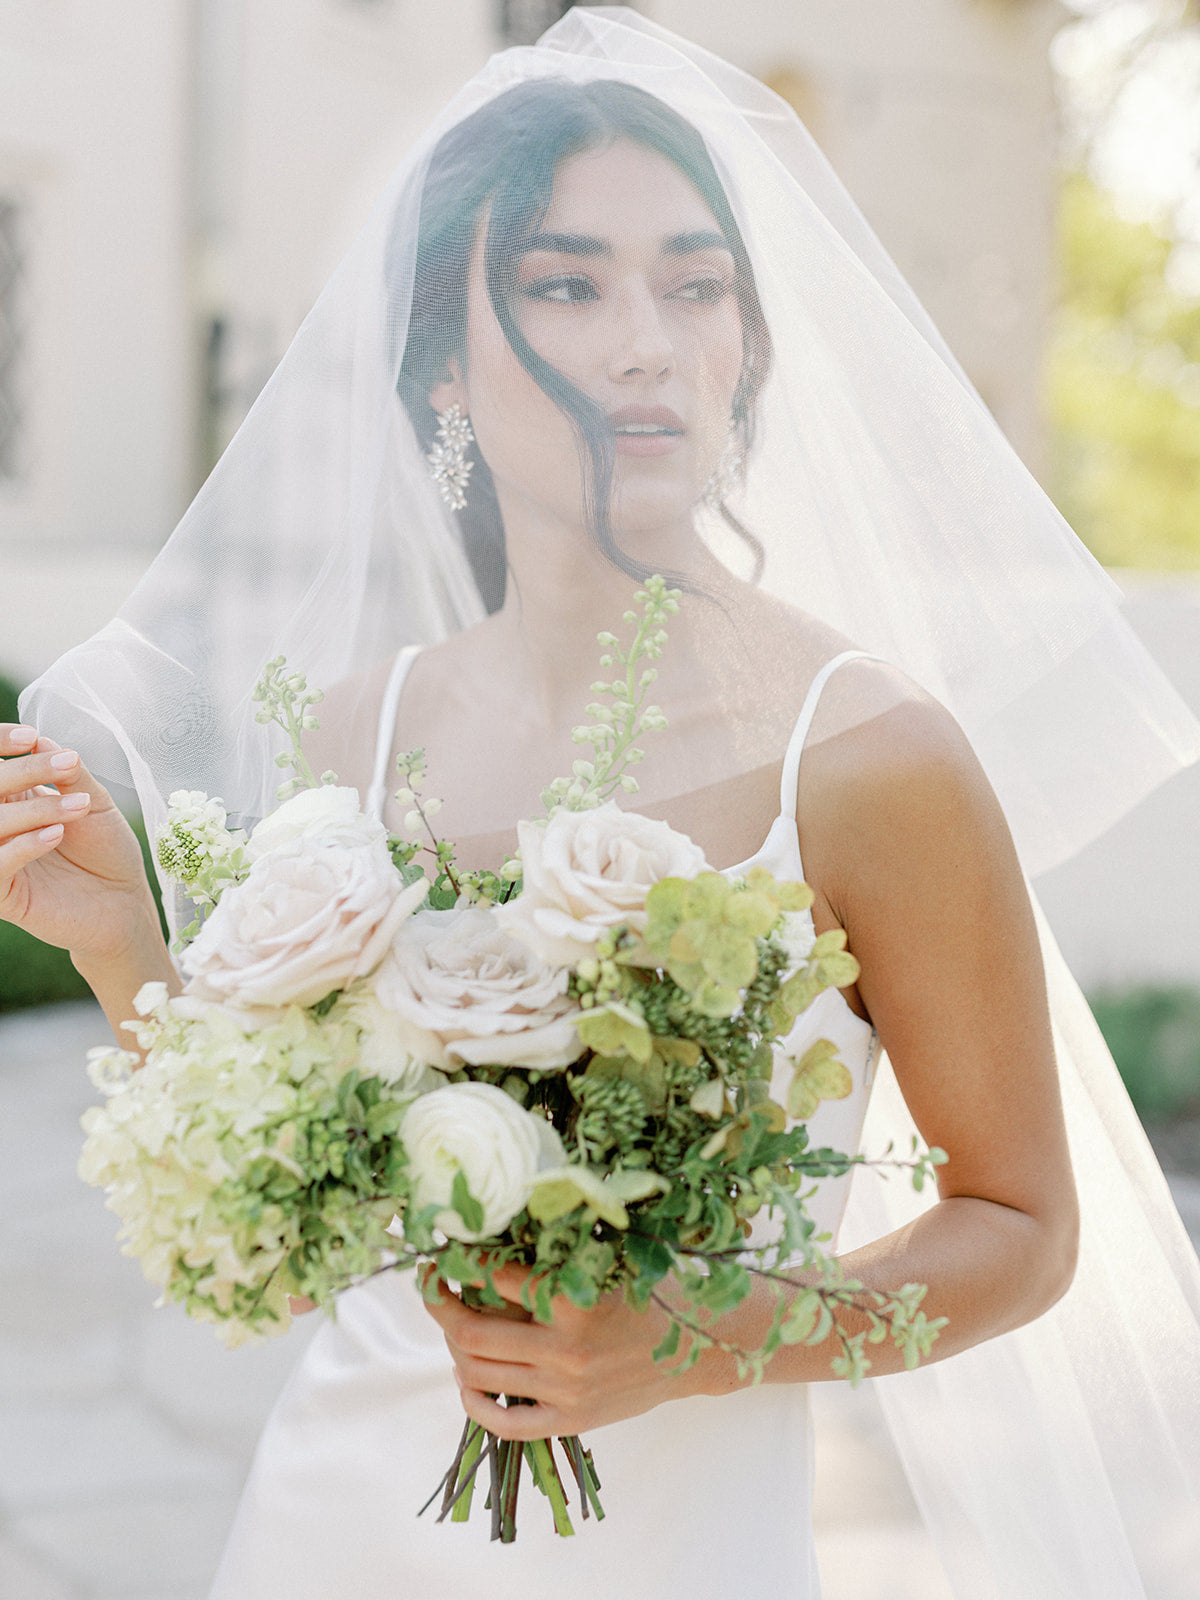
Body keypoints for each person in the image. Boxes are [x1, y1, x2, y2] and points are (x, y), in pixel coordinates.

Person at [5, 10, 1199, 1597]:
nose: (646, 339)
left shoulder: (867, 757)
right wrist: (118, 939)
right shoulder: (360, 736)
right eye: (566, 284)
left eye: (694, 285)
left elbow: (1023, 1226)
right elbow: (313, 1194)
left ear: (747, 348)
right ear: (442, 362)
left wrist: (689, 1339)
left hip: (683, 1551)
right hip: (335, 1525)